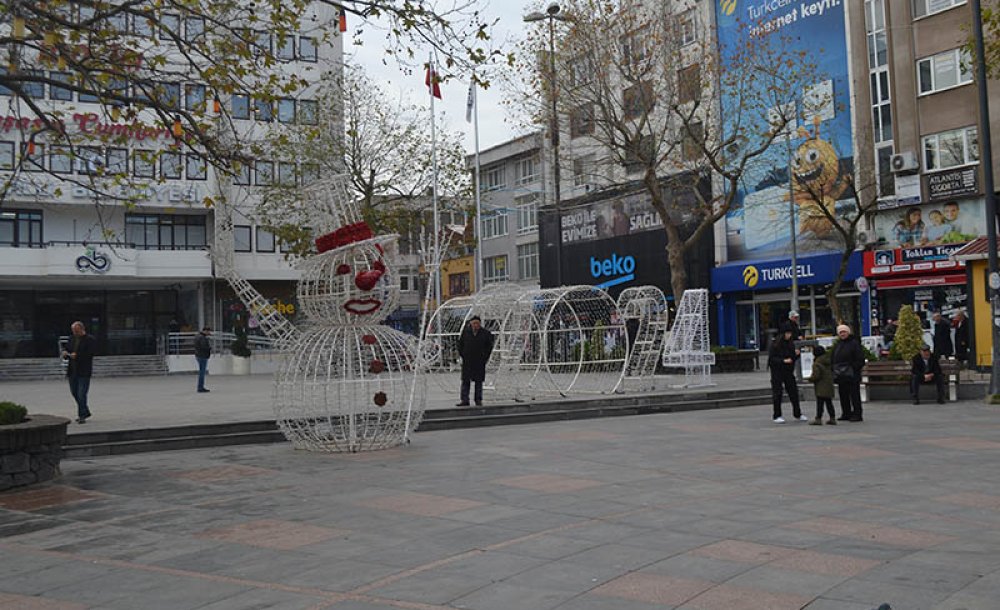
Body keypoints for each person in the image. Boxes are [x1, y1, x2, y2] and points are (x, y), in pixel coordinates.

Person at [767, 324, 805, 424]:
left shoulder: (790, 344)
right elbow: (772, 360)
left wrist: (796, 355)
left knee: (793, 393)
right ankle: (777, 415)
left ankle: (798, 413)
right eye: (787, 333)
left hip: (788, 372)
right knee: (777, 393)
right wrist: (783, 361)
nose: (789, 335)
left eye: (790, 333)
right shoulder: (775, 344)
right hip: (777, 372)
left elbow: (792, 358)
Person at [62, 321, 97, 424]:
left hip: (84, 371)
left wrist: (77, 356)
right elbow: (67, 349)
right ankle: (85, 411)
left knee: (82, 394)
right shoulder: (71, 338)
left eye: (76, 331)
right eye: (73, 331)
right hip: (72, 370)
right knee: (74, 392)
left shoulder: (90, 340)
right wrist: (65, 353)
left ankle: (81, 415)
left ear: (82, 329)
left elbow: (90, 353)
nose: (75, 333)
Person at [457, 315, 494, 407]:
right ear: (470, 324)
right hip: (468, 361)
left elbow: (489, 346)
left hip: (479, 361)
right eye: (474, 323)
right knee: (466, 381)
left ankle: (478, 400)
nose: (475, 325)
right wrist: (464, 355)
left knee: (478, 381)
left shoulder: (485, 333)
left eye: (477, 323)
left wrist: (484, 357)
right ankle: (464, 400)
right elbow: (460, 345)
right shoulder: (466, 332)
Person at [832, 324, 865, 422]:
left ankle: (857, 414)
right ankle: (846, 413)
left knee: (854, 395)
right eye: (840, 332)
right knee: (843, 395)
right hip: (841, 374)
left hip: (852, 374)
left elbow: (860, 360)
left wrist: (852, 367)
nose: (842, 334)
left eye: (844, 332)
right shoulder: (838, 344)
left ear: (848, 332)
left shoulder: (854, 343)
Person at [806, 345, 836, 425]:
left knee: (820, 404)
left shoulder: (817, 363)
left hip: (820, 386)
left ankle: (818, 418)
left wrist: (810, 379)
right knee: (829, 402)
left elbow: (816, 375)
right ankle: (832, 418)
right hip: (828, 385)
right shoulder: (828, 360)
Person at [194, 326, 213, 393]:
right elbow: (204, 347)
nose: (209, 333)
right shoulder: (202, 338)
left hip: (199, 355)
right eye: (208, 331)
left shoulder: (198, 336)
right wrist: (209, 348)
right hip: (202, 356)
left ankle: (200, 386)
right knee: (202, 372)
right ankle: (200, 387)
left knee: (201, 371)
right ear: (205, 331)